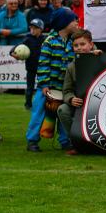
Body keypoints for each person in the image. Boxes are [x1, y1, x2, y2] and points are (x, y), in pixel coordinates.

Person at [26, 8, 78, 152]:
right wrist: (44, 84)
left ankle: (65, 141)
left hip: (63, 88)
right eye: (74, 20)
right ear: (64, 23)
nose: (76, 23)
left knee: (62, 114)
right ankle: (32, 140)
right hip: (47, 88)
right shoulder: (49, 41)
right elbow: (43, 63)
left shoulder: (72, 42)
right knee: (38, 114)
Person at [55, 29, 99, 154]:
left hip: (100, 105)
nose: (79, 48)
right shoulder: (71, 67)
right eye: (76, 45)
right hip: (81, 105)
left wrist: (98, 57)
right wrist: (71, 99)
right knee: (63, 109)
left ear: (91, 44)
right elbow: (67, 90)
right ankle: (79, 143)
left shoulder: (102, 57)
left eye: (82, 44)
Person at [13, 18, 46, 110]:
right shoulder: (27, 39)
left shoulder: (45, 39)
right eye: (31, 27)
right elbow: (14, 50)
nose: (32, 30)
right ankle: (28, 104)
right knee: (29, 88)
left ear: (41, 29)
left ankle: (45, 103)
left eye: (35, 28)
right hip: (30, 67)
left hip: (42, 68)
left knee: (44, 86)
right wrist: (14, 54)